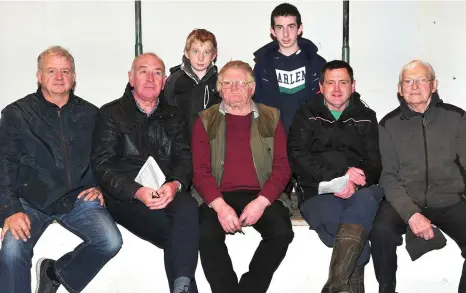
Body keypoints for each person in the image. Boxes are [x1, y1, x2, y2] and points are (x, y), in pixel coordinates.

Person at [0, 46, 122, 293]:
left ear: (74, 77)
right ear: (39, 76)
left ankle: (55, 273)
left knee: (110, 241)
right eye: (52, 71)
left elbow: (105, 158)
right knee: (12, 251)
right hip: (30, 201)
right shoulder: (16, 114)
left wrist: (100, 187)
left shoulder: (91, 114)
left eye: (65, 71)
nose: (59, 77)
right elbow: (4, 163)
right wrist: (10, 210)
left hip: (76, 199)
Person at [91, 52, 199, 293]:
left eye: (157, 73)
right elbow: (102, 166)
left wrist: (175, 185)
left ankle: (181, 287)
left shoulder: (174, 115)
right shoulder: (110, 114)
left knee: (189, 206)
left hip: (165, 191)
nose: (150, 78)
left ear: (164, 82)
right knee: (179, 235)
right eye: (143, 72)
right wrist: (137, 191)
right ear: (131, 78)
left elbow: (184, 157)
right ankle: (183, 288)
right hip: (125, 197)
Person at [192, 60, 294, 293]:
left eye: (241, 82)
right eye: (227, 83)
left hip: (261, 194)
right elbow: (200, 170)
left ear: (252, 88)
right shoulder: (206, 120)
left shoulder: (271, 117)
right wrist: (219, 207)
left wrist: (261, 202)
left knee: (282, 231)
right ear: (220, 89)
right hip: (218, 194)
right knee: (205, 234)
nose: (235, 88)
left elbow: (282, 166)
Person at [370, 60, 466, 293]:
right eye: (408, 81)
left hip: (449, 200)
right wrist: (412, 214)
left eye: (422, 80)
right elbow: (389, 177)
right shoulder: (388, 125)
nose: (414, 86)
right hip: (405, 200)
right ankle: (386, 289)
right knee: (380, 231)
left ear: (434, 85)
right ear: (399, 89)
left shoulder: (457, 118)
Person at [288, 60, 383, 293]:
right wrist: (339, 178)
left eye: (343, 82)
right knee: (359, 245)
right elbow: (297, 156)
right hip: (319, 192)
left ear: (353, 85)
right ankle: (342, 286)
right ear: (320, 86)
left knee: (368, 198)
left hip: (359, 191)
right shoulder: (306, 114)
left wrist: (355, 183)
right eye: (330, 83)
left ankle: (335, 286)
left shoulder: (366, 115)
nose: (337, 89)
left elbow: (374, 162)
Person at [253, 2, 326, 134]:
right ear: (272, 31)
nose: (285, 34)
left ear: (299, 28)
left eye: (291, 27)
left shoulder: (318, 63)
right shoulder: (262, 66)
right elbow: (256, 105)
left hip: (310, 140)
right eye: (280, 27)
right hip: (274, 140)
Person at [164, 28, 221, 138]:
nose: (201, 58)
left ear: (213, 55)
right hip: (182, 145)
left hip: (211, 145)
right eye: (196, 51)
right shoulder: (174, 80)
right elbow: (166, 114)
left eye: (206, 52)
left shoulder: (220, 82)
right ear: (186, 53)